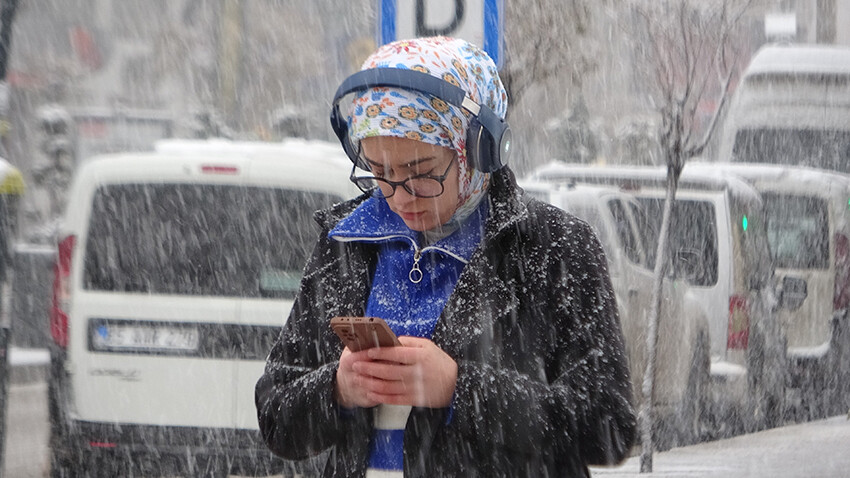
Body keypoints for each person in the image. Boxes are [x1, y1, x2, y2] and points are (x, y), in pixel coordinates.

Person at [256, 36, 636, 477]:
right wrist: (337, 388)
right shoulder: (346, 241)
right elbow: (276, 414)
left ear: (477, 151)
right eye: (380, 173)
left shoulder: (554, 248)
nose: (399, 197)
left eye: (420, 173)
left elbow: (608, 426)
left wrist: (461, 388)